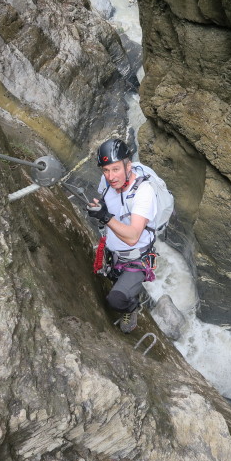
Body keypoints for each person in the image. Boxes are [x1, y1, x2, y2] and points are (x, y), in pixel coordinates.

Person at [86, 138, 157, 333]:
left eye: (115, 169)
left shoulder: (144, 193)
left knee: (116, 299)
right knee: (114, 281)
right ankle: (129, 290)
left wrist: (105, 216)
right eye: (105, 170)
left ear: (128, 166)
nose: (110, 176)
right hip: (113, 252)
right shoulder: (107, 182)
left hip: (136, 259)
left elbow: (133, 236)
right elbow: (108, 201)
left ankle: (132, 307)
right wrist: (99, 208)